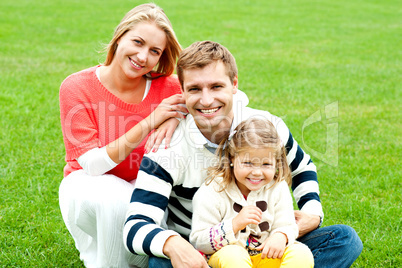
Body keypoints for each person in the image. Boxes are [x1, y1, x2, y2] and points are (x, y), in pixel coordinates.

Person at [123, 40, 363, 268]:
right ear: (183, 92)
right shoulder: (166, 147)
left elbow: (303, 168)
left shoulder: (267, 125)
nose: (206, 100)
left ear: (234, 84)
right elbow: (135, 226)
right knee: (160, 262)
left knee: (344, 240)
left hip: (267, 246)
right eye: (195, 89)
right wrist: (172, 244)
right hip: (203, 253)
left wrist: (312, 213)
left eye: (216, 86)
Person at [58, 3, 188, 267]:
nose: (143, 56)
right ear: (119, 38)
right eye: (137, 42)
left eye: (154, 51)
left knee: (146, 250)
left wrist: (175, 117)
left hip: (144, 191)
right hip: (89, 191)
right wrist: (150, 120)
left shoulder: (170, 87)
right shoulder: (77, 87)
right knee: (114, 198)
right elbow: (92, 166)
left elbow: (228, 95)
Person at [190, 118, 314, 268]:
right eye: (248, 163)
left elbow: (287, 224)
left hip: (265, 257)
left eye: (266, 164)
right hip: (226, 259)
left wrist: (281, 236)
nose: (256, 172)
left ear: (277, 163)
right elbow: (199, 241)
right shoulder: (213, 190)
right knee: (234, 255)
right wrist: (234, 224)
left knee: (301, 253)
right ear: (232, 158)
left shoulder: (277, 187)